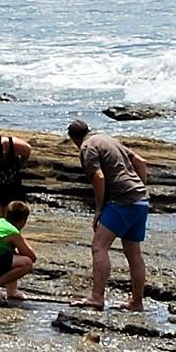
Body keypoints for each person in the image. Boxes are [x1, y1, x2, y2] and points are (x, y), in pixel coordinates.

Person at [67, 119, 150, 311]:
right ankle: (136, 301)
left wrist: (99, 208)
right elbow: (141, 162)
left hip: (122, 201)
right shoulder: (108, 139)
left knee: (99, 247)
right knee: (134, 253)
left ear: (73, 139)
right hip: (140, 200)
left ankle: (97, 297)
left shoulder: (87, 147)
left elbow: (99, 177)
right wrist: (140, 188)